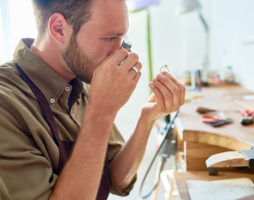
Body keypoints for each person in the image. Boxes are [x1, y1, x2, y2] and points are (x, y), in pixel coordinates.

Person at [0, 0, 185, 199]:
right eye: (109, 38)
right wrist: (100, 114)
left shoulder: (82, 78)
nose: (121, 53)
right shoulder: (7, 106)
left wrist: (147, 118)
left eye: (122, 38)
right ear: (59, 29)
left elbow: (116, 178)